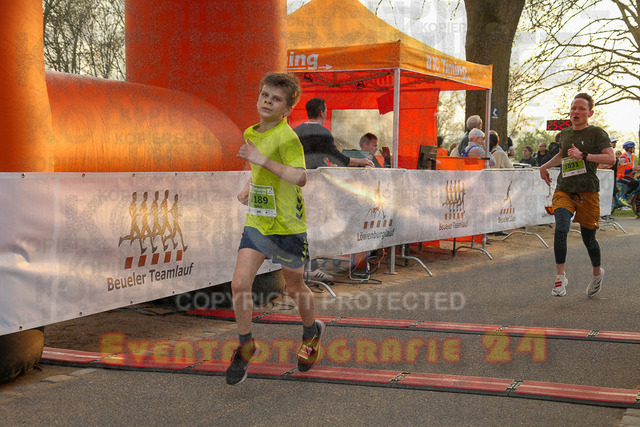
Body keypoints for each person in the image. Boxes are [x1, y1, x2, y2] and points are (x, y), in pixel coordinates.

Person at [226, 72, 325, 385]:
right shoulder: (252, 132)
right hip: (259, 221)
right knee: (239, 284)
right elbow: (260, 170)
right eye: (265, 95)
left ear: (287, 109)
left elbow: (299, 177)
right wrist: (249, 186)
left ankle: (311, 332)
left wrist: (260, 159)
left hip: (287, 225)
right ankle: (246, 346)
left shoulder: (287, 138)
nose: (267, 101)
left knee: (294, 288)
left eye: (276, 99)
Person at [539, 92, 614, 298]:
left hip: (588, 191)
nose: (576, 112)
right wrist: (545, 166)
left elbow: (611, 158)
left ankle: (597, 274)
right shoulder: (565, 133)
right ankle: (560, 277)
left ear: (590, 113)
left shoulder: (597, 133)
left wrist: (584, 156)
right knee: (561, 227)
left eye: (581, 108)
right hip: (565, 189)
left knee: (589, 238)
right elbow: (561, 154)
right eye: (573, 108)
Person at [294, 98, 374, 169]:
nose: (326, 114)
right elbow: (337, 158)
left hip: (297, 177)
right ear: (321, 113)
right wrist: (361, 161)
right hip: (316, 177)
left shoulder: (295, 131)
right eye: (326, 111)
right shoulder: (324, 133)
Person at [617, 141, 640, 206]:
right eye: (633, 147)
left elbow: (631, 168)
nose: (634, 149)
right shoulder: (623, 158)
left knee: (637, 184)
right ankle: (623, 197)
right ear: (629, 149)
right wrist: (632, 169)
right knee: (635, 182)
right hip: (621, 176)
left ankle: (632, 202)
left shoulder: (631, 156)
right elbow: (620, 171)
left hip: (628, 176)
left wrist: (635, 169)